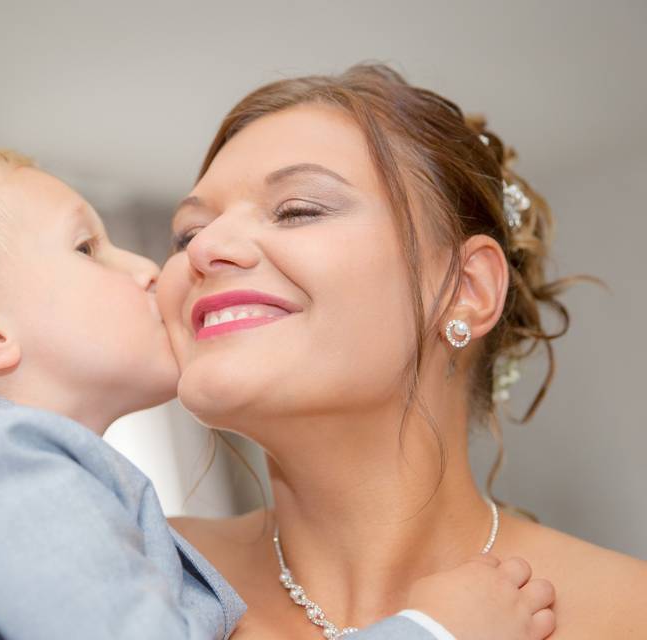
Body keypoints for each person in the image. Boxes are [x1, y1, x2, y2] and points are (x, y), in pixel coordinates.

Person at [0, 146, 544, 639]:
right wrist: (432, 633)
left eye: (300, 210)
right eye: (88, 247)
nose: (154, 268)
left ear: (467, 289)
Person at [157, 64, 647, 639]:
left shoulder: (628, 613)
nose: (205, 249)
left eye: (298, 209)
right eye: (188, 234)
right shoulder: (131, 567)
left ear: (466, 290)